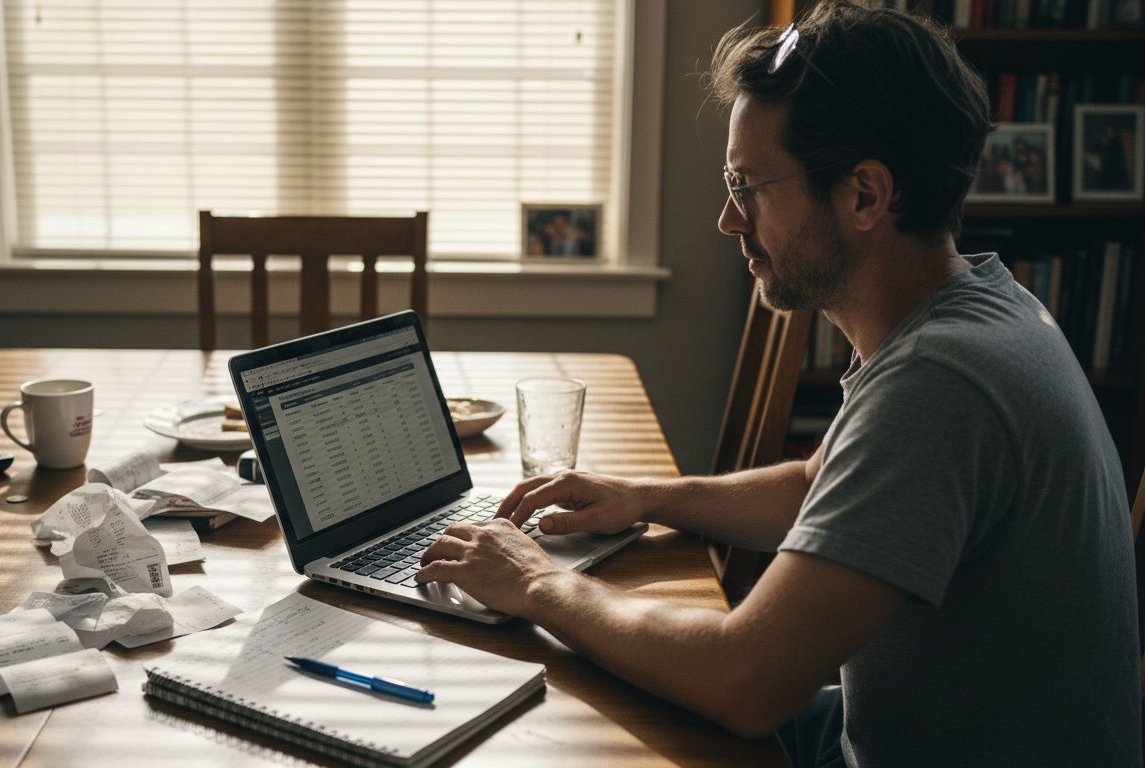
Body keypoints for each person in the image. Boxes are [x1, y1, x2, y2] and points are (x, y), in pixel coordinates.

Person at [415, 3, 1142, 766]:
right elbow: (816, 487)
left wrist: (536, 583)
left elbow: (748, 680)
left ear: (864, 195)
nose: (729, 220)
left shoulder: (941, 381)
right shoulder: (980, 304)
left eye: (748, 186)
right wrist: (646, 496)